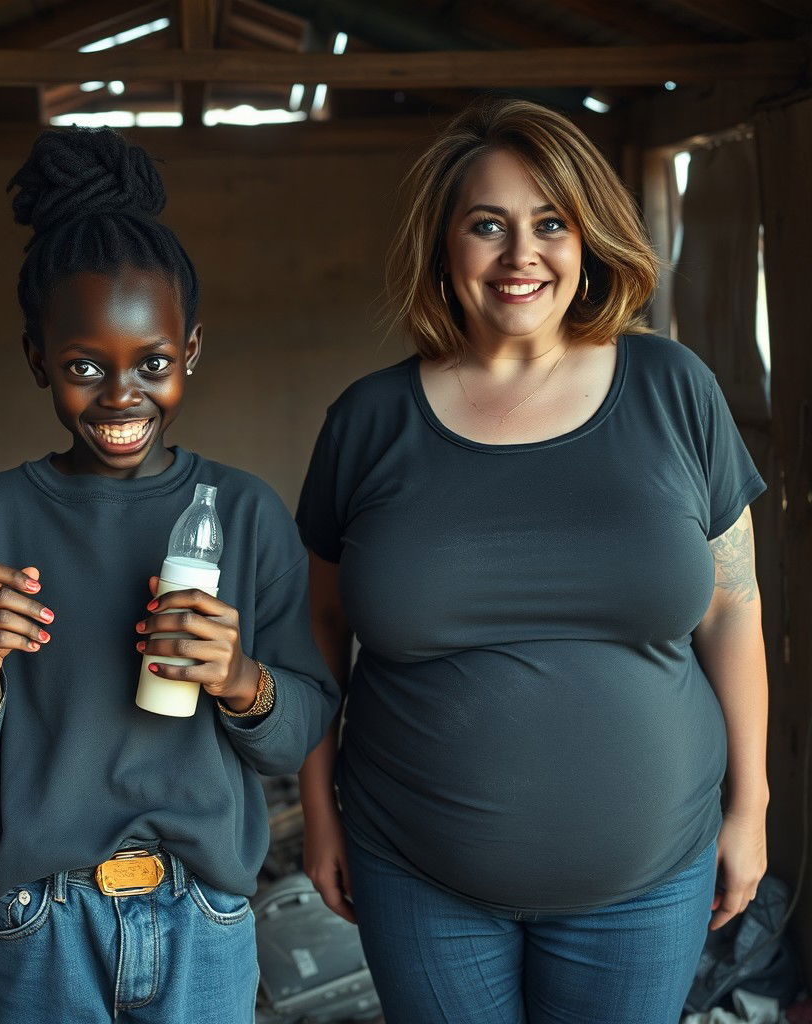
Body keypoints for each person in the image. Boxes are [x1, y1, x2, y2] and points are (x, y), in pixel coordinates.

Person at [296, 97, 769, 1024]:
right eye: (488, 225)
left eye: (551, 223)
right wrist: (320, 815)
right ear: (445, 247)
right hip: (417, 875)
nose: (522, 255)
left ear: (587, 238)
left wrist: (750, 808)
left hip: (650, 878)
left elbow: (731, 609)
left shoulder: (676, 390)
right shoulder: (369, 422)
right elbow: (320, 626)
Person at [0, 126, 338, 1024]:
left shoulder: (241, 514)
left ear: (190, 352)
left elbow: (296, 734)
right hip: (37, 923)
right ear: (37, 358)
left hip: (204, 919)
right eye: (85, 366)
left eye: (153, 364)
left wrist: (240, 682)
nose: (121, 397)